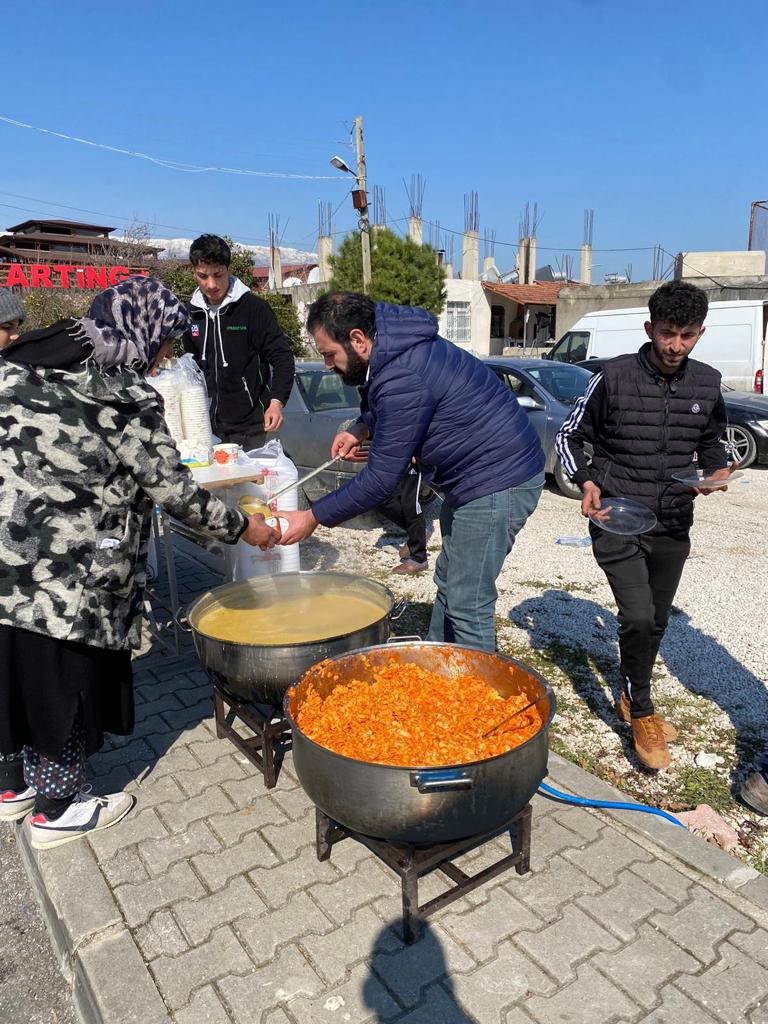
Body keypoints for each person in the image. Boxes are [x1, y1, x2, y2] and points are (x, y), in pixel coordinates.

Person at [0, 277, 279, 849]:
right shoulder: (121, 393)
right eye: (166, 344)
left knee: (11, 672)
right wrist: (242, 528)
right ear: (143, 330)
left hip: (6, 561)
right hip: (70, 576)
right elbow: (173, 491)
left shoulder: (23, 362)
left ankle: (11, 786)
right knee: (63, 681)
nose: (166, 357)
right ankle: (58, 808)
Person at [279, 292, 545, 651]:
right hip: (474, 477)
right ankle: (437, 663)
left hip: (497, 479)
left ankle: (480, 698)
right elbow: (387, 404)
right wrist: (362, 427)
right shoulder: (392, 349)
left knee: (468, 600)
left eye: (329, 354)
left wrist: (312, 516)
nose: (327, 364)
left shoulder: (402, 373)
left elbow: (381, 479)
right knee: (450, 577)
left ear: (357, 339)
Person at [555, 280, 730, 770]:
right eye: (668, 334)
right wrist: (586, 481)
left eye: (688, 336)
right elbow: (571, 436)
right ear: (650, 328)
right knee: (636, 615)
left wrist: (714, 473)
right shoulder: (611, 377)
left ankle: (633, 690)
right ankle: (644, 709)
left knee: (655, 618)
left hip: (674, 519)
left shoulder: (708, 382)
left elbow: (713, 443)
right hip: (616, 516)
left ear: (700, 333)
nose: (676, 346)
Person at [183, 234, 295, 451]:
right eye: (203, 276)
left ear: (229, 269)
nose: (211, 284)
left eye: (218, 275)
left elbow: (282, 357)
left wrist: (276, 402)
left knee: (248, 485)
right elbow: (191, 368)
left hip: (251, 426)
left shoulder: (253, 309)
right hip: (206, 427)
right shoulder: (191, 313)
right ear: (194, 273)